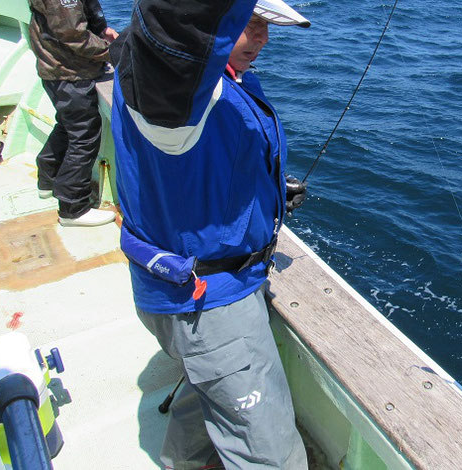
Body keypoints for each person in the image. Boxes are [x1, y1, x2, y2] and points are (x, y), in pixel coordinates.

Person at [111, 1, 309, 468]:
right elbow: (173, 28)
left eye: (267, 25)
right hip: (210, 304)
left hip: (188, 290)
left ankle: (183, 462)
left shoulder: (233, 78)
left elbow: (203, 167)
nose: (261, 36)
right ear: (212, 28)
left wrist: (273, 190)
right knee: (272, 455)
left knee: (204, 392)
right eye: (250, 22)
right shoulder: (171, 88)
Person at [27, 0, 118, 227]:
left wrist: (102, 31)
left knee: (68, 126)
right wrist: (115, 51)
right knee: (84, 136)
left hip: (56, 68)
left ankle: (48, 179)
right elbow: (74, 35)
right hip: (69, 72)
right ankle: (72, 208)